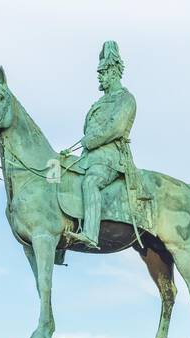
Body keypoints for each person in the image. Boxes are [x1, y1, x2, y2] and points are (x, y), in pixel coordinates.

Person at [65, 41, 137, 250]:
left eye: (103, 72)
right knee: (62, 177)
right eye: (100, 72)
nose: (100, 76)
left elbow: (115, 128)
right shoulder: (99, 103)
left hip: (111, 158)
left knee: (90, 183)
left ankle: (90, 233)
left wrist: (91, 140)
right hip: (90, 157)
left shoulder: (125, 99)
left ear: (114, 72)